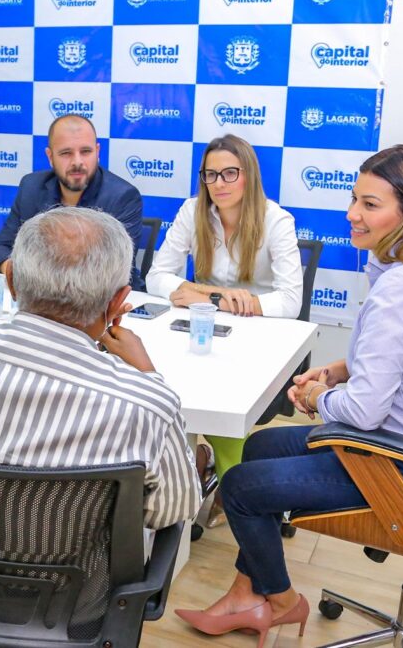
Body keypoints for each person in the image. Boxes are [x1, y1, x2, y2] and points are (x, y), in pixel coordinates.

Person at [174, 145, 403, 647]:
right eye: (354, 199)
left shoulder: (398, 289)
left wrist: (321, 396)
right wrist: (339, 370)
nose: (351, 214)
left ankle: (278, 601)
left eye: (369, 205)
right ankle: (244, 592)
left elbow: (363, 412)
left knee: (240, 489)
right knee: (259, 448)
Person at [0, 206, 200, 529]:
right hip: (78, 578)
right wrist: (148, 377)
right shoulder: (147, 403)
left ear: (11, 280)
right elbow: (174, 509)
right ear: (118, 302)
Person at [146, 134, 302, 527]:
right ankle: (191, 476)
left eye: (230, 173)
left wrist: (243, 301)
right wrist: (216, 294)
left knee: (219, 394)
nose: (220, 183)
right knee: (169, 385)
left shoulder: (276, 220)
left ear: (248, 176)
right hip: (201, 326)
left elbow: (290, 302)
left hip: (258, 336)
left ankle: (236, 487)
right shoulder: (192, 210)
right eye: (211, 174)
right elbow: (156, 277)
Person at [0, 114, 146, 290]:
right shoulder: (31, 187)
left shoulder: (122, 196)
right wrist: (18, 274)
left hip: (104, 304)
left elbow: (111, 271)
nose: (77, 162)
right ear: (50, 156)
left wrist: (35, 276)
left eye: (86, 152)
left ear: (98, 152)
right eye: (66, 153)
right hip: (39, 298)